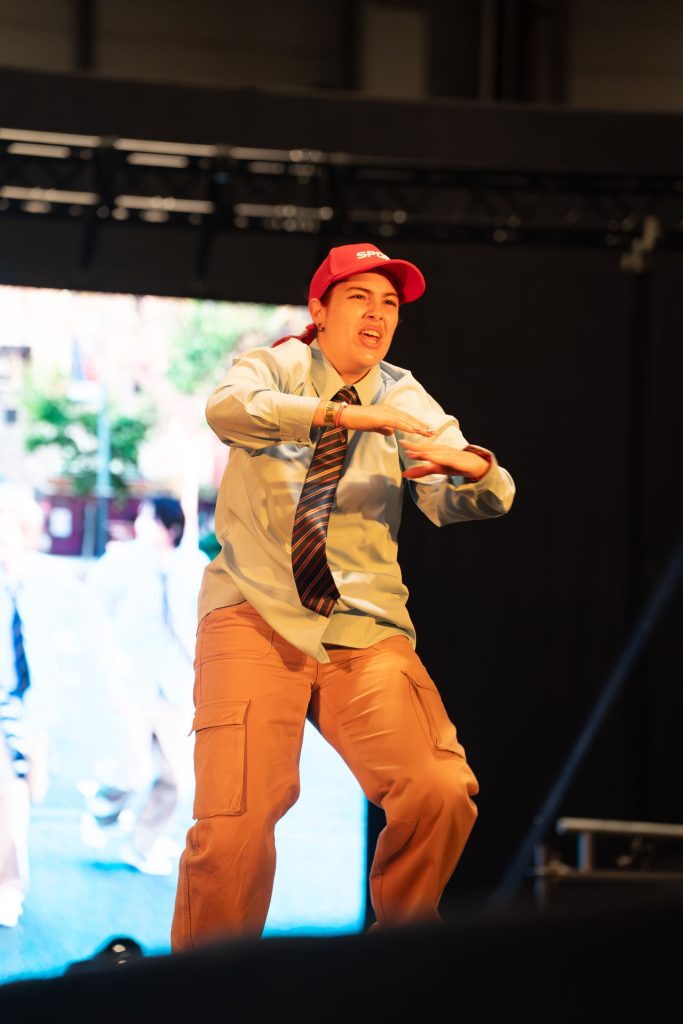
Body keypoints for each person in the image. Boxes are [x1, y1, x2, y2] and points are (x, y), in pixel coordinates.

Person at [171, 242, 515, 950]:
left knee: (439, 790)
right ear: (320, 310)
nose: (377, 314)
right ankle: (204, 993)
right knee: (232, 828)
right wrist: (340, 417)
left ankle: (399, 966)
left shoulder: (403, 394)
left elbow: (460, 497)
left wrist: (472, 468)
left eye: (389, 304)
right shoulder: (274, 366)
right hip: (255, 613)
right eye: (360, 297)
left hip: (361, 624)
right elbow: (227, 409)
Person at [79, 495, 208, 876]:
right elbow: (94, 615)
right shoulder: (119, 562)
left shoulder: (194, 565)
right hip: (133, 680)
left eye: (148, 519)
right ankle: (102, 810)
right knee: (132, 772)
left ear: (170, 528)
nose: (139, 524)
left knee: (177, 778)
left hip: (177, 683)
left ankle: (141, 844)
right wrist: (110, 668)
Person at [0, 482, 94, 927]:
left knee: (16, 800)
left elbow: (82, 633)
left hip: (21, 708)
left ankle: (8, 887)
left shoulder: (43, 581)